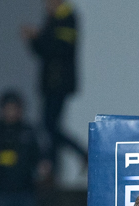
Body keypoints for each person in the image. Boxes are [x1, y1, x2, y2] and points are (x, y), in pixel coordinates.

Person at [21, 0, 86, 165]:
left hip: (59, 82)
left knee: (49, 125)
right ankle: (55, 166)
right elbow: (44, 52)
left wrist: (38, 37)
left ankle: (82, 154)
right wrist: (34, 40)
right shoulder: (54, 18)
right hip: (51, 82)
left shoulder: (67, 17)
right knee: (50, 127)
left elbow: (61, 49)